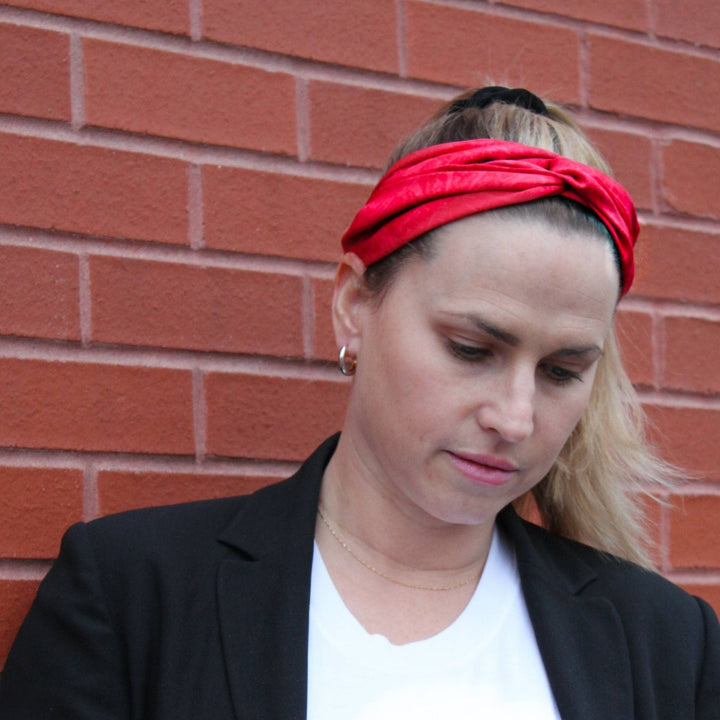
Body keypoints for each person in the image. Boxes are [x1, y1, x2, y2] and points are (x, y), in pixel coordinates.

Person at [0, 87, 718, 719]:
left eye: (562, 371)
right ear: (353, 303)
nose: (515, 418)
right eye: (471, 349)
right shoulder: (134, 597)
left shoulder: (668, 644)